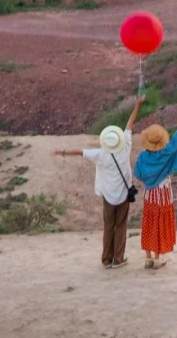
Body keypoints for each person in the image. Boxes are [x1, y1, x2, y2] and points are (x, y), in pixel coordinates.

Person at [55, 93, 144, 268]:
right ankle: (118, 259)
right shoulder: (125, 147)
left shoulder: (100, 154)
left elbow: (80, 152)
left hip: (108, 197)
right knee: (121, 227)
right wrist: (137, 105)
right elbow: (130, 124)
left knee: (108, 226)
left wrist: (62, 152)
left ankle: (106, 259)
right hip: (124, 196)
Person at [134, 115, 177, 269]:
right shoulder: (165, 154)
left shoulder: (142, 157)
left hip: (149, 195)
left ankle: (148, 257)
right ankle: (158, 257)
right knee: (160, 223)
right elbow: (175, 142)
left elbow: (138, 174)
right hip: (163, 194)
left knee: (149, 222)